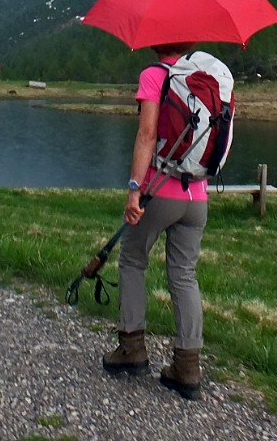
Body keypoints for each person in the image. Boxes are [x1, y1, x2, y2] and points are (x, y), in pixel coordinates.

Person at [102, 42, 209, 400]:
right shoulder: (202, 78)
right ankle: (188, 368)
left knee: (133, 259)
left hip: (159, 190)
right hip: (197, 196)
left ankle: (132, 349)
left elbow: (147, 134)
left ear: (156, 42)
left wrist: (134, 189)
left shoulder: (154, 75)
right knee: (184, 274)